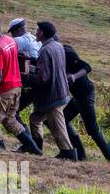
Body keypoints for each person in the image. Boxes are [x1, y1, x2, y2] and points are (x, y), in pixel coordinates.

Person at [0, 19, 41, 154]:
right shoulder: (9, 41)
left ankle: (2, 152)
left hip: (4, 89)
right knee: (9, 120)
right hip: (16, 86)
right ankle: (33, 148)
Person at [27, 21, 78, 160]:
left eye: (37, 31)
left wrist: (30, 77)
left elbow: (43, 77)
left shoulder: (45, 50)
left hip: (52, 96)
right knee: (35, 119)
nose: (36, 33)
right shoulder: (57, 45)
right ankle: (36, 147)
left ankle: (68, 154)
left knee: (58, 127)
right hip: (60, 91)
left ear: (42, 33)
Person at [62, 41, 110, 163]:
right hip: (78, 97)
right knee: (63, 120)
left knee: (92, 130)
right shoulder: (57, 52)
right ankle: (79, 154)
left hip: (86, 95)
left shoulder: (66, 52)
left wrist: (74, 76)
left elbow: (87, 67)